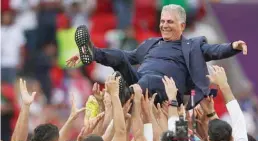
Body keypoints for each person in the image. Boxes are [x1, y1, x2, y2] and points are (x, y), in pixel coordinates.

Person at [66, 4, 247, 108]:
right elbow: (127, 57)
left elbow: (214, 50)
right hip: (139, 81)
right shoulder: (150, 43)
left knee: (150, 78)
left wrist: (233, 46)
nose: (164, 25)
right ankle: (91, 52)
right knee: (121, 58)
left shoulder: (193, 46)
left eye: (170, 22)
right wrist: (96, 55)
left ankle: (125, 95)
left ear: (182, 25)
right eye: (162, 21)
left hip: (167, 91)